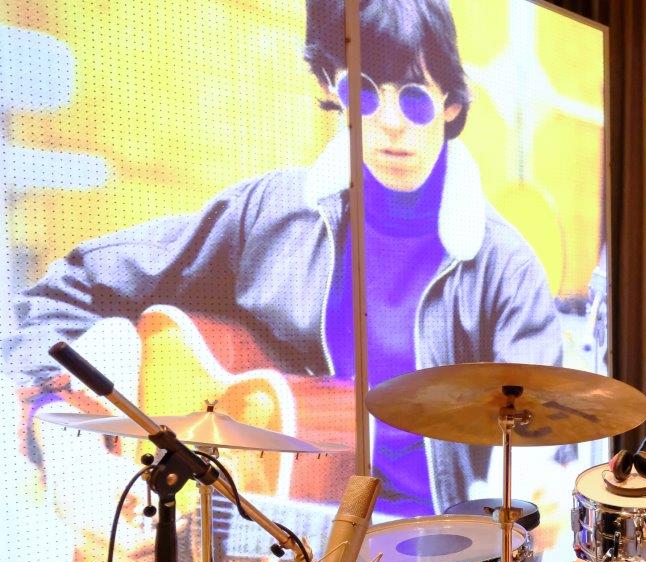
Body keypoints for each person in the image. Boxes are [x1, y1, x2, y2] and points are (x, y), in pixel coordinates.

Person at [4, 0, 563, 517]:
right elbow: (67, 291)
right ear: (329, 87)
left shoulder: (504, 267)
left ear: (451, 102)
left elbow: (545, 428)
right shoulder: (267, 216)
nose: (391, 123)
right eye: (364, 94)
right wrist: (67, 449)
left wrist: (539, 500)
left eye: (415, 96)